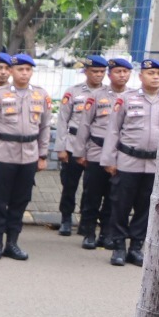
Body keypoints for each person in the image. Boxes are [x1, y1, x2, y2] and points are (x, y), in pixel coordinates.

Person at [0, 53, 51, 261]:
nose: (24, 73)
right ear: (11, 71)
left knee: (20, 201)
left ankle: (12, 242)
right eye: (20, 69)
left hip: (29, 156)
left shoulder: (40, 95)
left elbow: (45, 127)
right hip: (4, 154)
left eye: (28, 70)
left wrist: (43, 155)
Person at [101, 57, 159, 267]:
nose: (155, 77)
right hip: (128, 161)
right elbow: (113, 130)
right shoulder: (126, 99)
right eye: (151, 73)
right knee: (121, 204)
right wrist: (109, 160)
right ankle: (118, 246)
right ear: (141, 76)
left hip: (155, 165)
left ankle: (136, 247)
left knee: (146, 207)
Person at [77, 58, 132, 250]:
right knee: (92, 194)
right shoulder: (96, 96)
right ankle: (89, 232)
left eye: (125, 72)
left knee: (113, 197)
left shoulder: (132, 97)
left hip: (120, 154)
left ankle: (106, 234)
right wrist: (80, 152)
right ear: (109, 75)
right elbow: (84, 125)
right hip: (96, 151)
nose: (122, 75)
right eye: (118, 72)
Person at [53, 57, 107, 236]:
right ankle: (66, 219)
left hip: (95, 146)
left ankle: (85, 221)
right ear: (86, 71)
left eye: (102, 72)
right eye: (95, 71)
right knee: (69, 185)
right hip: (72, 144)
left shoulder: (108, 94)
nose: (98, 75)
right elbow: (62, 120)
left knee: (92, 187)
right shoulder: (73, 92)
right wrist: (61, 147)